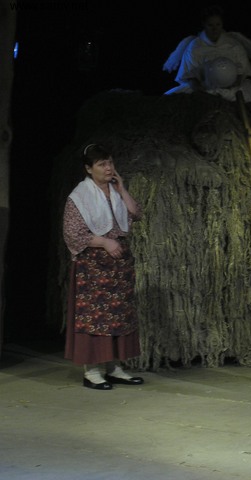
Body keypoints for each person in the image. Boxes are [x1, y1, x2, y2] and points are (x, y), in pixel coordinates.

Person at [63, 143, 144, 390]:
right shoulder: (80, 197)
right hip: (93, 267)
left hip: (118, 267)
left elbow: (136, 214)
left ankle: (115, 368)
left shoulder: (115, 192)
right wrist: (105, 242)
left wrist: (122, 189)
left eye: (110, 162)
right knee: (94, 319)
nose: (108, 168)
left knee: (118, 316)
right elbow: (73, 233)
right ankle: (92, 372)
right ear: (89, 169)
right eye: (102, 164)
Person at [162, 4, 251, 102]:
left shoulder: (233, 45)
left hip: (233, 89)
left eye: (218, 25)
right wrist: (202, 90)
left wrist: (233, 85)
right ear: (204, 25)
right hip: (204, 89)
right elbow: (190, 77)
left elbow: (242, 73)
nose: (215, 29)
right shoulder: (195, 47)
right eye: (210, 25)